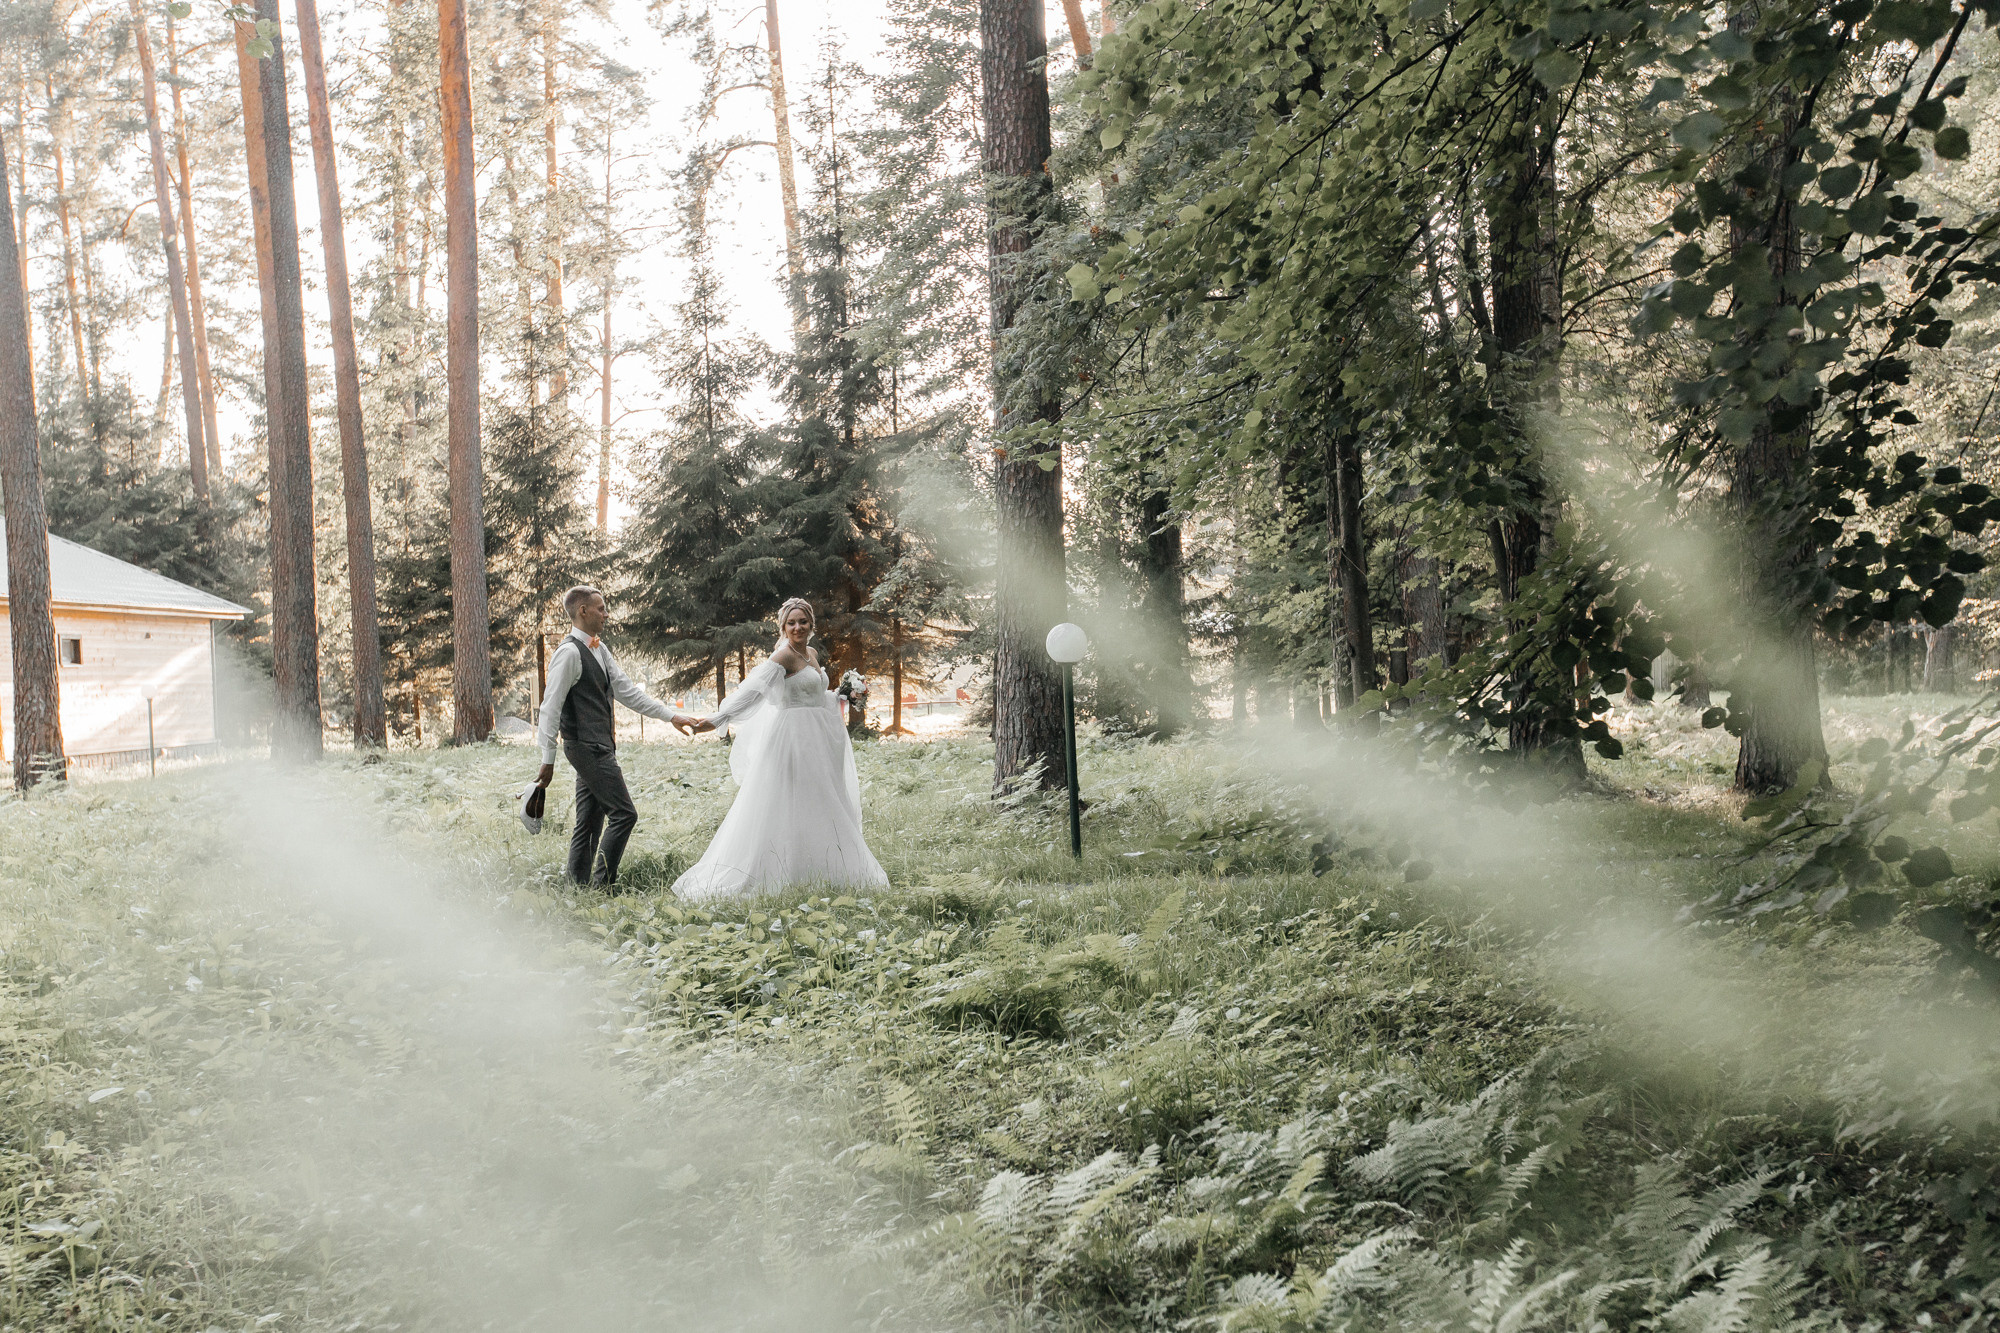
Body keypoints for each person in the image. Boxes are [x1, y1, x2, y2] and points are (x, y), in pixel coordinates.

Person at [670, 597, 889, 900]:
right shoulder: (782, 658)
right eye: (791, 623)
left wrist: (842, 694)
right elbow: (751, 693)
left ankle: (823, 867)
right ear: (783, 627)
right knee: (789, 800)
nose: (798, 627)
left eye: (803, 621)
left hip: (819, 739)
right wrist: (717, 719)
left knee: (820, 800)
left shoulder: (811, 653)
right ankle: (780, 868)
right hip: (792, 740)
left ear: (811, 624)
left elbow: (815, 694)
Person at [533, 585, 697, 887]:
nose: (606, 614)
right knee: (624, 814)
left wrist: (671, 715)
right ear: (583, 611)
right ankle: (602, 887)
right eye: (601, 608)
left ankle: (577, 888)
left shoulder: (600, 648)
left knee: (590, 823)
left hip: (601, 745)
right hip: (585, 746)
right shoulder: (568, 653)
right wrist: (548, 759)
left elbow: (627, 691)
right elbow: (549, 708)